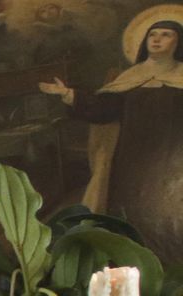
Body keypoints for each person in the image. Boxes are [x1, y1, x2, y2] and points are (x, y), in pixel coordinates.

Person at [39, 13, 183, 262]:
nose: (157, 40)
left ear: (178, 43)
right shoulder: (129, 79)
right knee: (133, 216)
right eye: (153, 35)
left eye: (166, 35)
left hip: (175, 161)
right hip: (133, 162)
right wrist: (68, 95)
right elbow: (102, 110)